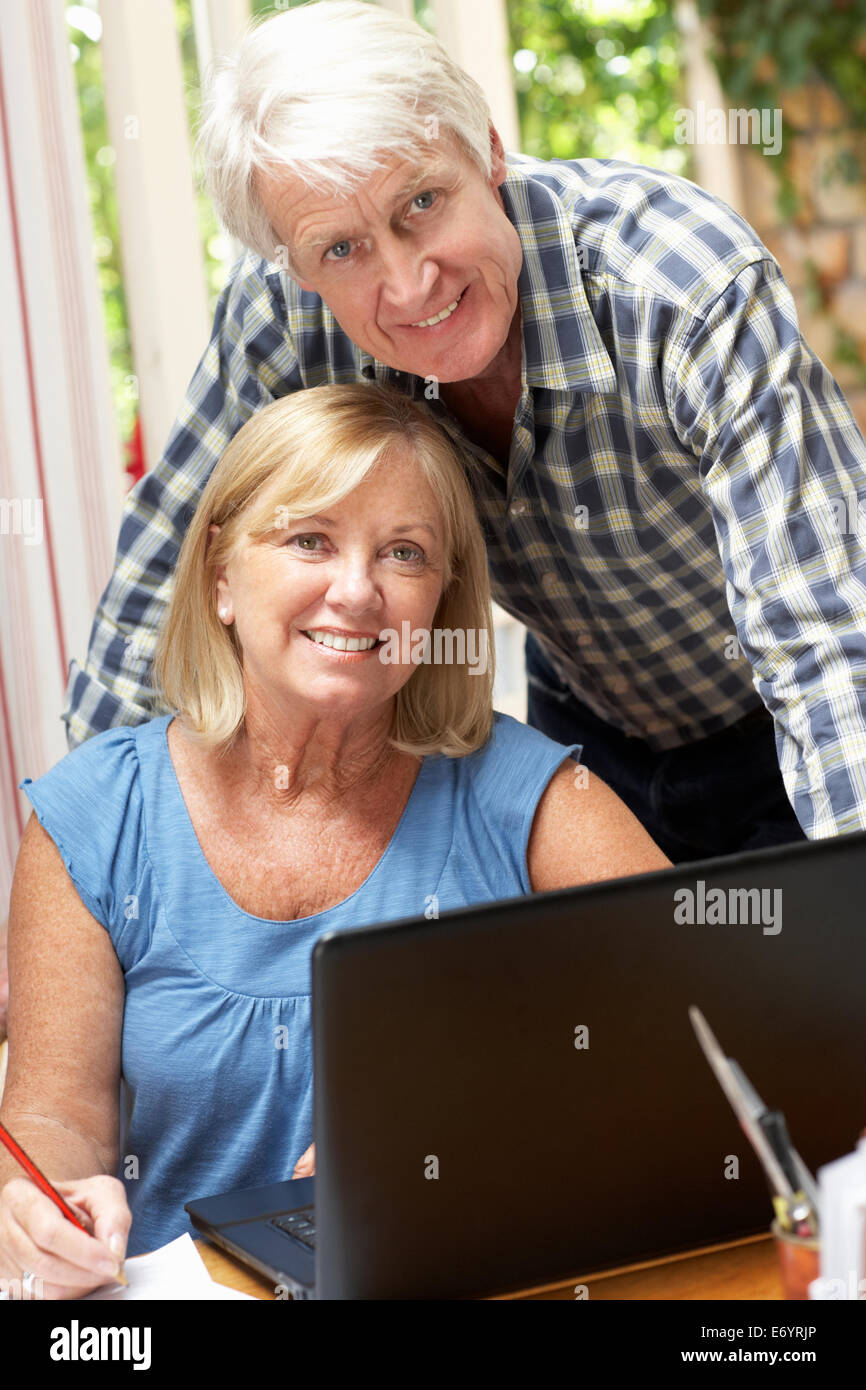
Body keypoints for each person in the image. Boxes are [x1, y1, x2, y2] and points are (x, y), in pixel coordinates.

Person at [0, 384, 669, 1298]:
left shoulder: (530, 798)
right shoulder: (93, 817)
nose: (356, 592)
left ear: (440, 602)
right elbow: (55, 1115)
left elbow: (703, 1031)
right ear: (220, 577)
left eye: (404, 553)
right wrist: (48, 1211)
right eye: (309, 538)